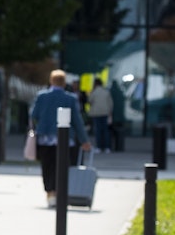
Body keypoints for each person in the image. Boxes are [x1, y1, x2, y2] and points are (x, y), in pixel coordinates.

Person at [30, 68, 91, 208]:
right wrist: (84, 140)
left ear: (51, 81)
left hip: (44, 138)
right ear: (64, 83)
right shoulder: (70, 98)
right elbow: (77, 121)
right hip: (64, 140)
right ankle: (58, 192)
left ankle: (49, 193)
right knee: (61, 167)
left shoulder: (41, 96)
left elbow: (34, 115)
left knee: (47, 165)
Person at [87, 77, 113, 153]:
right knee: (105, 131)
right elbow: (111, 103)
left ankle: (99, 147)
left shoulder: (94, 92)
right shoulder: (106, 92)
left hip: (96, 113)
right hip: (105, 113)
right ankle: (107, 147)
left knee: (98, 131)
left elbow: (89, 101)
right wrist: (109, 112)